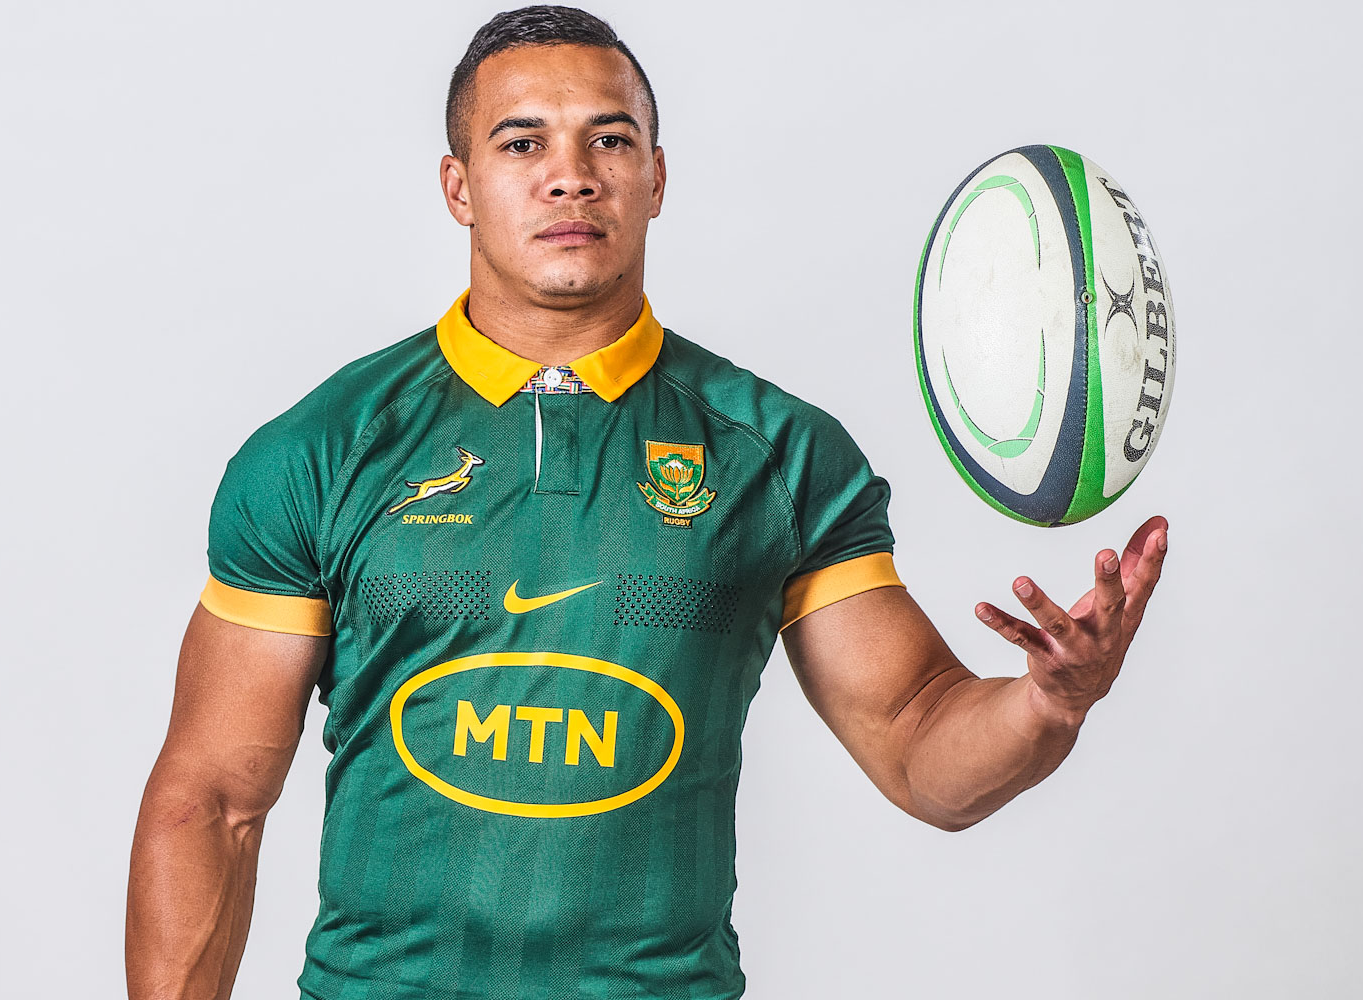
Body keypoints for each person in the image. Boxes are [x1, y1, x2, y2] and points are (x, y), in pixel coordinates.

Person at [124, 7, 1171, 998]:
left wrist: (1048, 702)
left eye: (610, 141)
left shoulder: (780, 457)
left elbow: (916, 740)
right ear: (458, 185)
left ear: (656, 177)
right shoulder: (323, 451)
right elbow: (211, 800)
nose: (570, 176)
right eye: (522, 143)